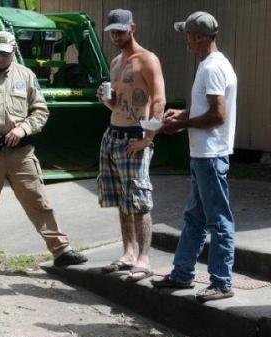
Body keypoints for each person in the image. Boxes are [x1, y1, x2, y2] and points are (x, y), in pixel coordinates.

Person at [0, 31, 87, 275]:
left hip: (20, 153)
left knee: (38, 201)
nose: (1, 58)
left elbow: (40, 111)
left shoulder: (26, 76)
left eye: (6, 54)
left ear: (14, 51)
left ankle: (61, 251)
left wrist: (23, 129)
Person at [154, 11, 237, 302]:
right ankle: (182, 273)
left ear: (200, 37)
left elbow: (218, 115)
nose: (186, 40)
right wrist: (183, 115)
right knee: (195, 218)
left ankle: (222, 282)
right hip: (205, 155)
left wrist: (182, 123)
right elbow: (209, 110)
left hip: (210, 155)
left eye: (188, 35)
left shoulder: (212, 68)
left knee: (218, 220)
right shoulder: (213, 64)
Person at [96, 9, 166, 282]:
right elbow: (117, 103)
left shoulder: (147, 59)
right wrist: (106, 99)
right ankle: (128, 252)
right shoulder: (116, 62)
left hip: (135, 136)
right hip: (113, 134)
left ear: (132, 28)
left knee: (138, 200)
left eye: (120, 31)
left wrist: (148, 138)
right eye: (112, 32)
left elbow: (158, 100)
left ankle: (144, 259)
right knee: (122, 200)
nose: (115, 36)